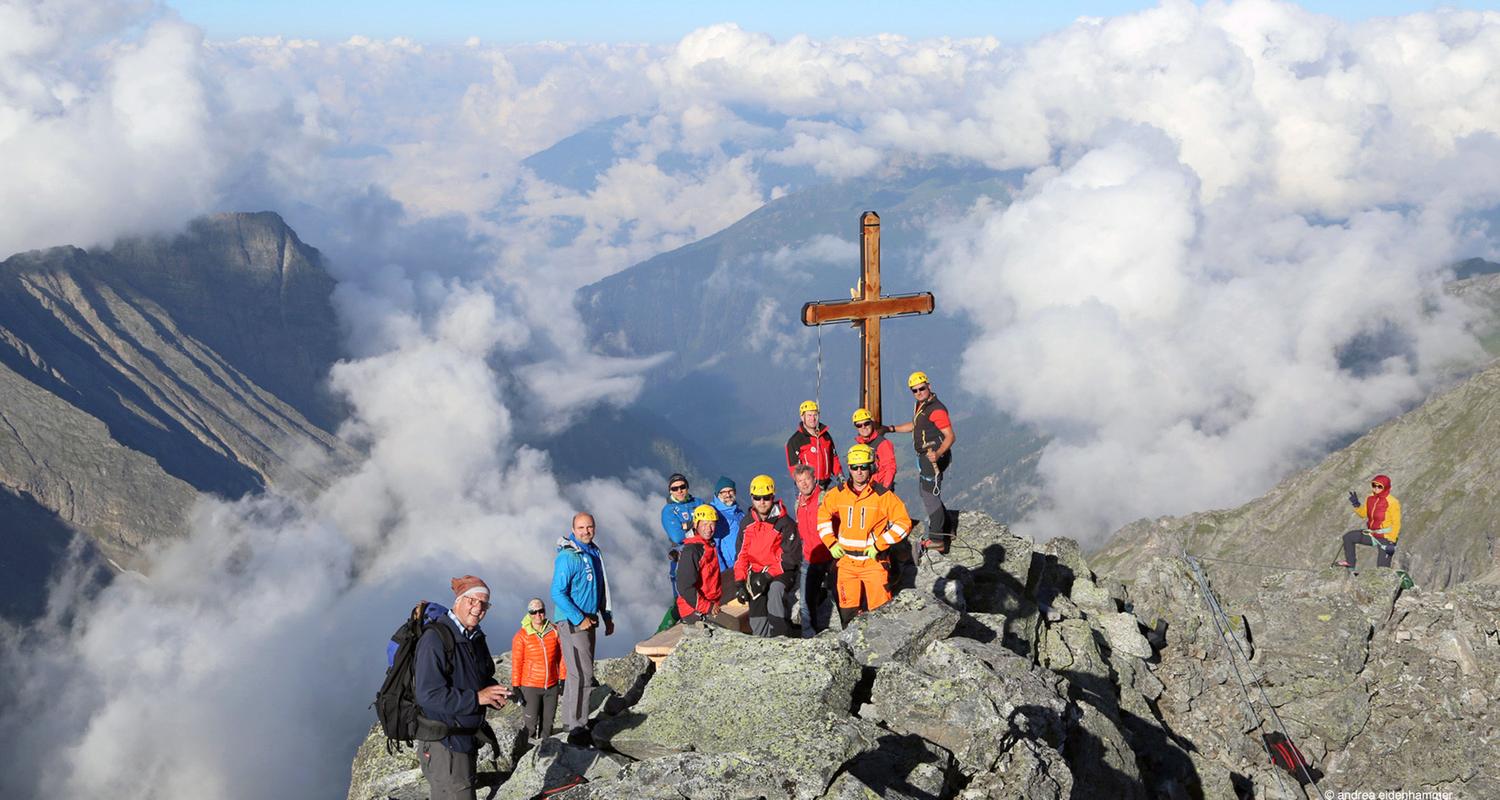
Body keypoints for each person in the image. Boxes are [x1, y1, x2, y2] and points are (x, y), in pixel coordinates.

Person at [413, 575, 510, 800]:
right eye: (472, 601)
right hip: (445, 745)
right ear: (458, 601)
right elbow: (428, 695)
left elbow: (480, 678)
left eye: (484, 603)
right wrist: (477, 698)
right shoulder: (435, 639)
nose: (478, 608)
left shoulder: (474, 637)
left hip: (463, 742)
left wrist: (493, 692)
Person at [818, 444, 912, 626]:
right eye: (854, 467)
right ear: (849, 469)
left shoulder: (883, 496)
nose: (859, 471)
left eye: (863, 467)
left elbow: (903, 523)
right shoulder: (838, 494)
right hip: (846, 563)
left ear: (871, 468)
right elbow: (822, 515)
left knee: (881, 615)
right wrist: (831, 542)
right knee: (848, 615)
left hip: (873, 563)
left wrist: (880, 545)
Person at [550, 512, 613, 745]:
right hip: (573, 622)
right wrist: (578, 618)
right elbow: (557, 593)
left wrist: (606, 616)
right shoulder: (568, 557)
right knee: (582, 674)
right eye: (581, 528)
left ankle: (572, 721)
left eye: (590, 527)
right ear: (573, 530)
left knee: (579, 672)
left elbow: (601, 586)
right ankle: (578, 727)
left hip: (589, 620)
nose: (586, 531)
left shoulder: (592, 552)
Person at [885, 371, 956, 552]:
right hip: (926, 457)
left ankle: (937, 539)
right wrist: (890, 428)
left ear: (929, 386)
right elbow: (915, 425)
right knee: (927, 492)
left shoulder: (936, 410)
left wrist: (938, 453)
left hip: (932, 457)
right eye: (914, 390)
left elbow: (950, 436)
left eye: (921, 389)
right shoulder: (922, 405)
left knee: (930, 495)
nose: (919, 392)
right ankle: (948, 528)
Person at [733, 474, 802, 637]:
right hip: (756, 572)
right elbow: (741, 556)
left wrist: (768, 575)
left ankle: (780, 638)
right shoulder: (747, 523)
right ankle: (761, 642)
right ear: (752, 498)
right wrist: (740, 584)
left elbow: (791, 557)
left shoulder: (785, 523)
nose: (762, 502)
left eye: (766, 498)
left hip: (782, 571)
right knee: (756, 603)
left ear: (773, 497)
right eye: (758, 498)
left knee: (775, 591)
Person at [510, 597, 565, 747]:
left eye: (541, 611)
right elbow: (517, 662)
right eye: (533, 612)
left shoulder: (554, 631)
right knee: (530, 725)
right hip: (530, 686)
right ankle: (527, 756)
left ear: (545, 611)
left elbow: (562, 657)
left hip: (551, 685)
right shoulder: (521, 636)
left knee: (548, 725)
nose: (538, 615)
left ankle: (546, 756)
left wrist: (563, 678)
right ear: (529, 614)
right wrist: (516, 686)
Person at [792, 464, 835, 636]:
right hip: (809, 558)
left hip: (830, 556)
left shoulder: (826, 499)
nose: (803, 484)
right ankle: (809, 639)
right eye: (799, 481)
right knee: (805, 603)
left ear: (814, 479)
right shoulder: (799, 504)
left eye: (806, 479)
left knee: (841, 599)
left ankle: (849, 631)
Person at [1336, 474, 1402, 569]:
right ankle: (1350, 564)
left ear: (1386, 487)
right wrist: (1356, 505)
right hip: (1372, 534)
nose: (1376, 488)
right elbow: (1364, 514)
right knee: (1348, 537)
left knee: (1383, 569)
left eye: (1379, 486)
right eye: (1374, 485)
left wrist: (1392, 541)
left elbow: (1396, 523)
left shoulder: (1392, 502)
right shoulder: (1370, 498)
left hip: (1386, 538)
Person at [658, 473, 697, 625]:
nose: (679, 491)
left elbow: (710, 525)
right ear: (670, 491)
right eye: (675, 488)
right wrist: (696, 524)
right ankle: (664, 630)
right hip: (681, 558)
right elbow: (677, 536)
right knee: (681, 598)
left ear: (687, 487)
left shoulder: (698, 502)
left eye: (682, 487)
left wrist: (685, 525)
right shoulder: (668, 511)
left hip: (701, 556)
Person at [676, 504, 725, 624]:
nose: (709, 529)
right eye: (704, 524)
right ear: (696, 525)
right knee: (732, 626)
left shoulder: (708, 546)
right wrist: (707, 607)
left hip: (709, 604)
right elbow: (684, 587)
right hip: (694, 609)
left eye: (712, 524)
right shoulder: (692, 551)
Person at [786, 400, 843, 489]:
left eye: (815, 415)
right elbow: (794, 469)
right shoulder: (795, 441)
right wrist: (806, 486)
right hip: (808, 487)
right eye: (809, 415)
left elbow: (834, 458)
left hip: (828, 483)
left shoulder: (825, 435)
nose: (812, 419)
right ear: (802, 417)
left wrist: (840, 475)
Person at [709, 476, 746, 600]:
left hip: (744, 564)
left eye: (730, 491)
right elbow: (714, 547)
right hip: (729, 569)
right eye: (723, 492)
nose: (727, 495)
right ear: (717, 494)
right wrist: (723, 571)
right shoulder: (715, 515)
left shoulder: (738, 512)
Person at [852, 407, 897, 491]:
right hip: (866, 487)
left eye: (866, 423)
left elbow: (890, 468)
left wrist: (885, 489)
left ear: (871, 423)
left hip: (880, 487)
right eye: (859, 425)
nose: (863, 427)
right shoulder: (861, 443)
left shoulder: (883, 443)